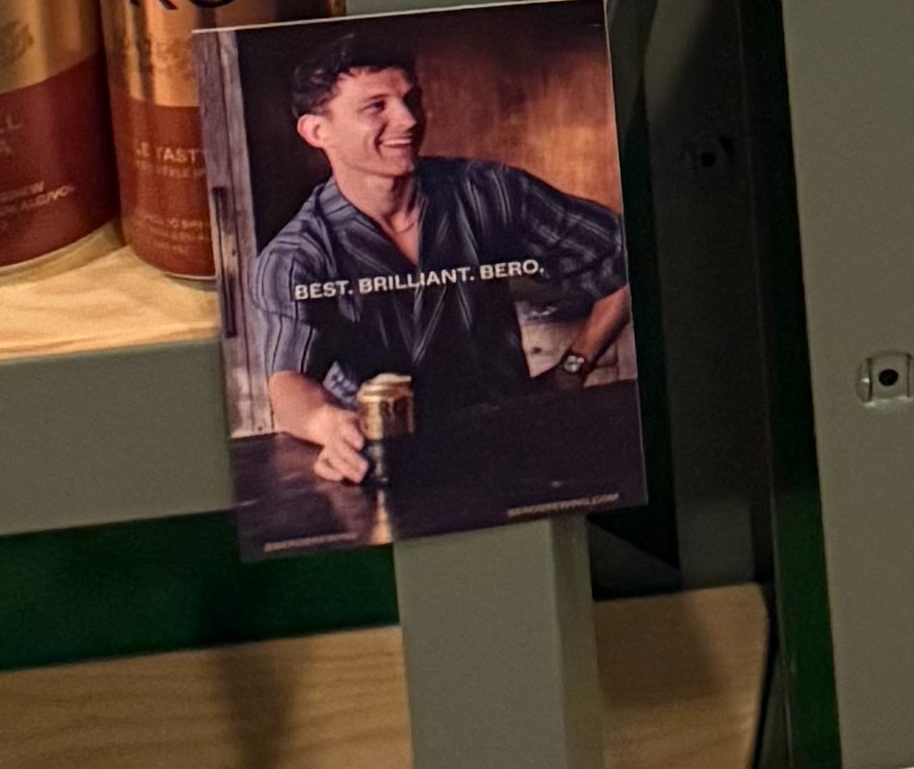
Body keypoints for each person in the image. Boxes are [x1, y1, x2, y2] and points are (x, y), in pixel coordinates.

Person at [240, 28, 634, 494]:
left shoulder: (490, 191)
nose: (408, 120)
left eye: (411, 99)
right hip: (385, 468)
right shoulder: (295, 257)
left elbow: (627, 255)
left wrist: (573, 369)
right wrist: (329, 426)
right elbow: (288, 383)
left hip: (513, 451)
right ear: (316, 131)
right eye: (376, 107)